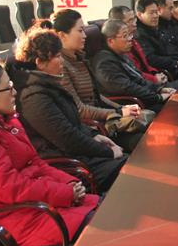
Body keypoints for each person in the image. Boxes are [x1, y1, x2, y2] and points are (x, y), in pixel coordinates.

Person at [0, 60, 99, 246]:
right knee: (109, 227)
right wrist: (64, 193)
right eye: (8, 88)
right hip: (23, 219)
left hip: (44, 206)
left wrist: (68, 183)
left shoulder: (5, 122)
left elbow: (36, 162)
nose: (15, 92)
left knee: (111, 210)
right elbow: (8, 187)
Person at [10, 27, 127, 192]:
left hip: (81, 154)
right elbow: (67, 138)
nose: (62, 61)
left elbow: (72, 122)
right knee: (132, 170)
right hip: (70, 166)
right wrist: (107, 152)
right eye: (57, 56)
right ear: (40, 63)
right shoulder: (33, 97)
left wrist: (94, 135)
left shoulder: (47, 84)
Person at [52, 9, 152, 152]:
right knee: (145, 142)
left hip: (103, 119)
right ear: (62, 35)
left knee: (150, 130)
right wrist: (117, 113)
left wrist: (120, 108)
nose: (85, 35)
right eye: (80, 31)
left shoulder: (80, 57)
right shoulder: (61, 66)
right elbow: (79, 110)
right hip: (93, 128)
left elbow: (97, 96)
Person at [92, 19, 176, 113]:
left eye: (129, 35)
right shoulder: (104, 63)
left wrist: (159, 89)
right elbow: (128, 88)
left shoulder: (120, 54)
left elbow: (138, 78)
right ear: (111, 41)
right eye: (125, 36)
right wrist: (157, 97)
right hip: (130, 106)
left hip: (143, 99)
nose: (130, 39)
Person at [135, 0, 178, 78]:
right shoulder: (139, 34)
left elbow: (170, 49)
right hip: (166, 74)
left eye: (156, 12)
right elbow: (150, 59)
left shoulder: (155, 27)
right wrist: (176, 63)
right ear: (139, 15)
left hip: (177, 67)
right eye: (151, 13)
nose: (156, 16)